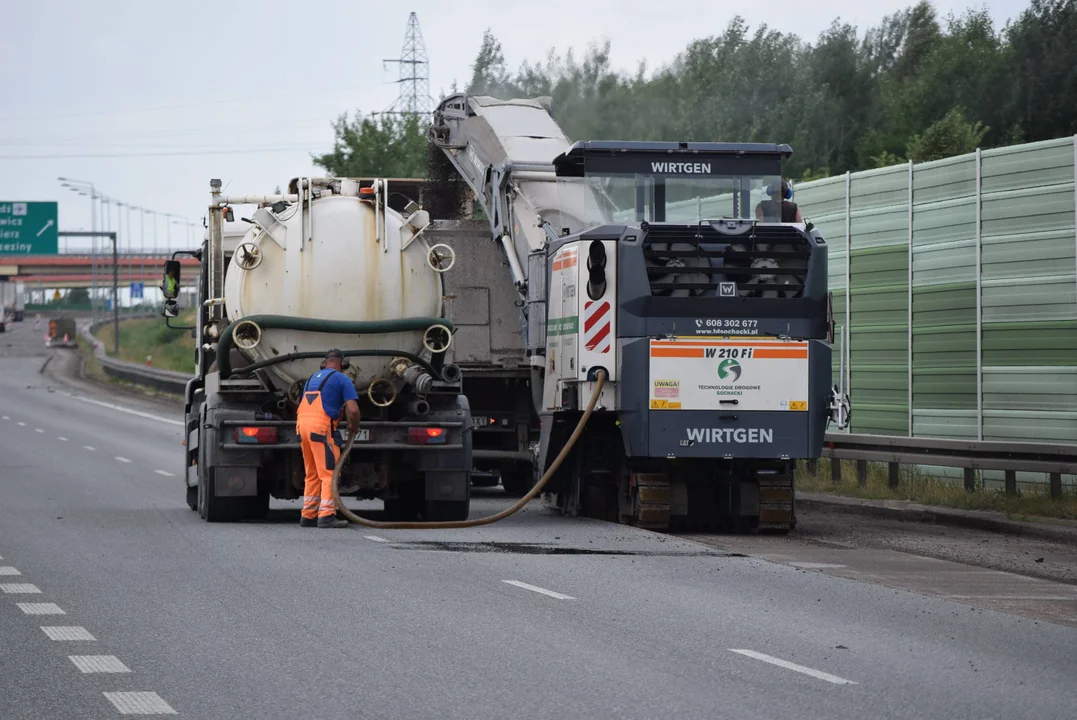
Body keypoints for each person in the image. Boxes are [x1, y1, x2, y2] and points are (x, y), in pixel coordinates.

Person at [296, 349, 361, 528]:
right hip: (321, 428)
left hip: (302, 426)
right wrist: (353, 426)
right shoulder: (343, 379)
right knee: (330, 473)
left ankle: (308, 515)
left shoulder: (311, 378)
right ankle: (326, 515)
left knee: (312, 473)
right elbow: (353, 410)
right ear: (343, 364)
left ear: (324, 364)